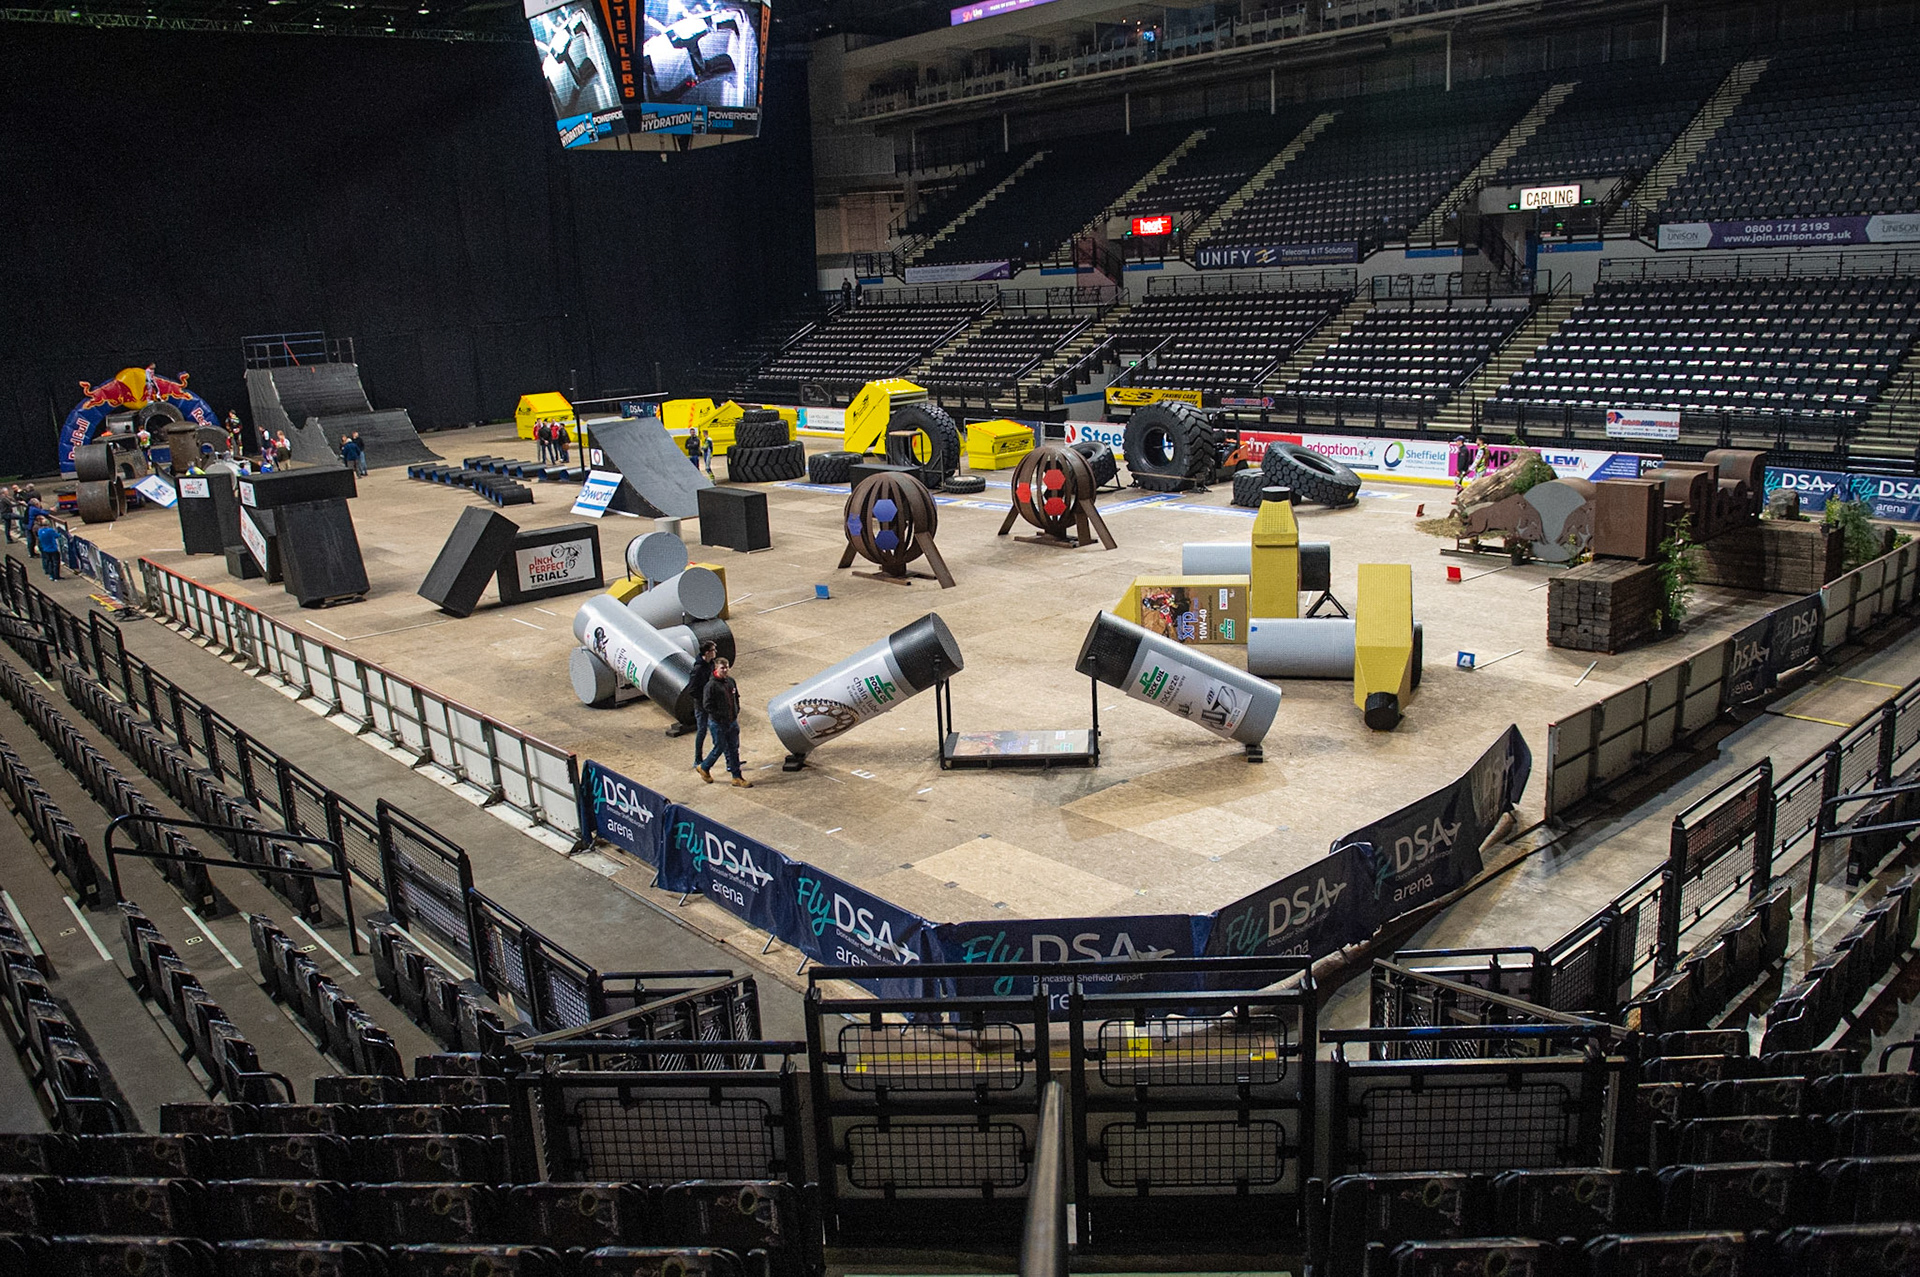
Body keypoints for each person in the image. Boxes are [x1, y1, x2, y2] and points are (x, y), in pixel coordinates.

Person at [694, 657, 752, 787]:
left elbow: (736, 697)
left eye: (727, 667)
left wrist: (736, 710)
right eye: (722, 668)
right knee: (719, 747)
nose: (725, 670)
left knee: (734, 749)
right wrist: (720, 716)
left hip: (732, 722)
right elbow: (707, 705)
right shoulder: (711, 686)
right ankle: (704, 766)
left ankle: (737, 777)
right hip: (718, 724)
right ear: (716, 669)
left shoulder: (731, 681)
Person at [688, 639, 719, 767]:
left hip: (712, 705)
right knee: (702, 731)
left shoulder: (711, 664)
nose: (715, 652)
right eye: (713, 650)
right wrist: (705, 699)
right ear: (707, 652)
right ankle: (697, 759)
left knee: (719, 730)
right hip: (702, 707)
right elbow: (692, 690)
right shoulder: (698, 669)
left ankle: (729, 758)